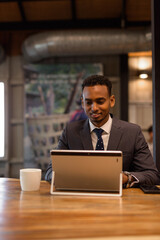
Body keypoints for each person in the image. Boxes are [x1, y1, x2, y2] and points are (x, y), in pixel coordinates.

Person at [45, 75, 160, 187]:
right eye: (88, 102)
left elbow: (152, 175)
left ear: (112, 101)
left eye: (100, 101)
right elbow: (50, 172)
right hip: (79, 199)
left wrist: (125, 178)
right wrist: (72, 177)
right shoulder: (70, 132)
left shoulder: (132, 132)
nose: (94, 108)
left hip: (121, 202)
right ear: (82, 103)